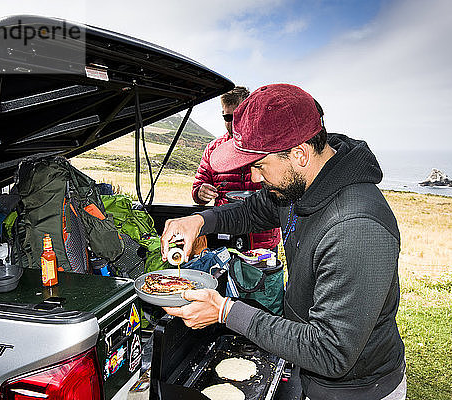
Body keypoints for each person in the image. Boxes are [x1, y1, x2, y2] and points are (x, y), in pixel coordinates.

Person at [161, 84, 406, 399]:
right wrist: (200, 220)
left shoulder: (356, 229)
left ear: (300, 154)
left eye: (260, 165)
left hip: (355, 390)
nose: (254, 178)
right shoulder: (300, 184)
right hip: (311, 375)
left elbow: (330, 351)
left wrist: (225, 311)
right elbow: (253, 209)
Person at [191, 86, 281, 250]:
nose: (232, 123)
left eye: (238, 116)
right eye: (227, 117)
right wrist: (200, 192)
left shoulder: (269, 148)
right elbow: (197, 190)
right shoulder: (213, 149)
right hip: (224, 237)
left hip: (262, 241)